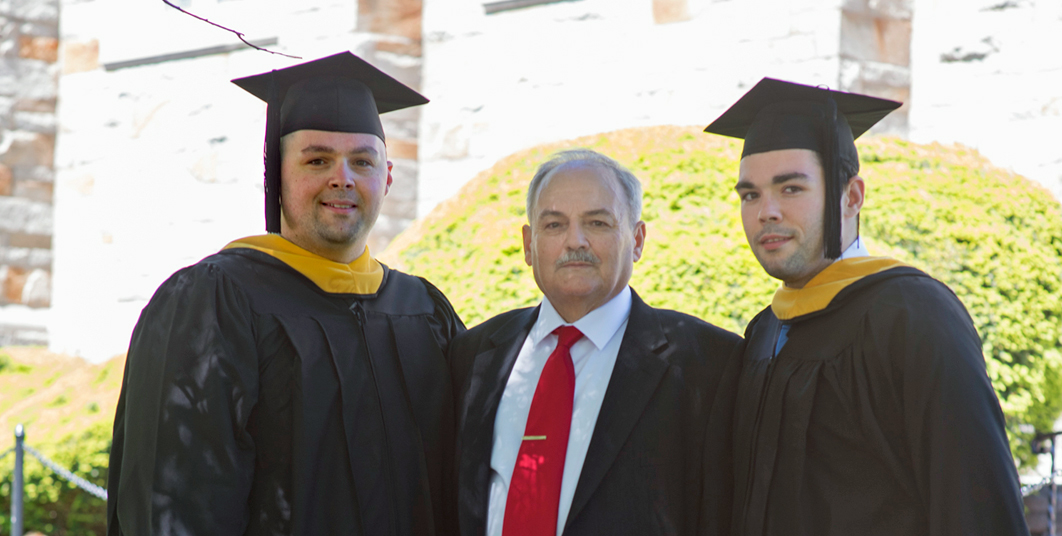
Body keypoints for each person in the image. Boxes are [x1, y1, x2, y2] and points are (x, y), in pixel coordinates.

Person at [106, 52, 464, 536]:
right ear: (275, 174)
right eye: (317, 160)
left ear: (387, 177)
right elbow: (172, 500)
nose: (343, 177)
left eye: (362, 160)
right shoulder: (214, 303)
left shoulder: (423, 311)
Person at [702, 78, 1029, 535]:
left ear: (851, 196)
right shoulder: (765, 330)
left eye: (791, 188)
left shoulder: (913, 315)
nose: (765, 212)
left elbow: (973, 500)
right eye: (750, 194)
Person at [450, 149, 741, 536]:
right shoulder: (473, 356)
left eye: (598, 223)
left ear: (637, 240)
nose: (576, 241)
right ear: (528, 244)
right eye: (554, 225)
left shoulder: (710, 366)